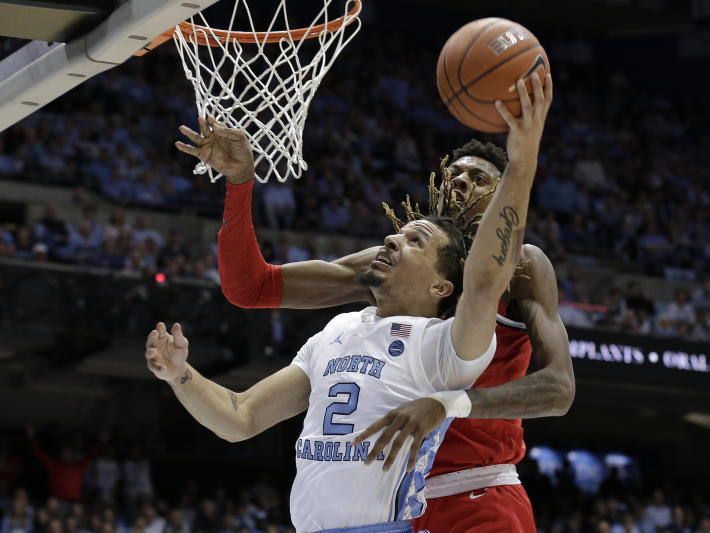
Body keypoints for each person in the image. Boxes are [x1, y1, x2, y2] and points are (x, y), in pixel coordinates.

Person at [161, 73, 553, 532]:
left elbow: (558, 389)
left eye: (479, 177)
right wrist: (241, 182)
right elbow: (250, 288)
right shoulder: (392, 268)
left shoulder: (520, 268)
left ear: (503, 194)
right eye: (455, 174)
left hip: (475, 486)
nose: (462, 182)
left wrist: (450, 404)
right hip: (399, 493)